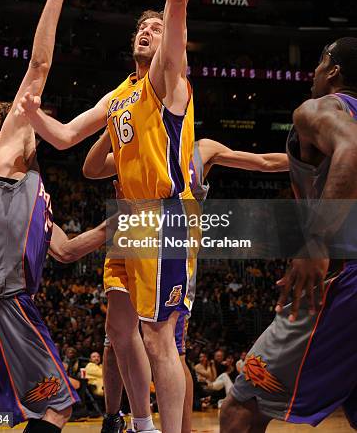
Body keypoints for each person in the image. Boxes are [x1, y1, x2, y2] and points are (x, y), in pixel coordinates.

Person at [17, 0, 217, 433]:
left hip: (165, 215)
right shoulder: (120, 94)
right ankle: (141, 424)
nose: (150, 30)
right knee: (119, 327)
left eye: (158, 28)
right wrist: (34, 116)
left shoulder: (166, 78)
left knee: (161, 336)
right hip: (129, 219)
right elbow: (63, 140)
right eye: (143, 27)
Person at [0, 0, 118, 433]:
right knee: (59, 404)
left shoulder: (34, 194)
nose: (34, 120)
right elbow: (39, 67)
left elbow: (66, 251)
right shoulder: (8, 153)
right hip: (2, 297)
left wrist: (115, 226)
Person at [82, 131, 288, 433]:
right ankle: (121, 420)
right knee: (116, 339)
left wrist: (320, 159)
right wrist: (113, 122)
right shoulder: (138, 147)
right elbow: (92, 167)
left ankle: (180, 429)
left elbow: (264, 162)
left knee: (171, 349)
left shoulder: (202, 149)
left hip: (173, 251)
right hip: (132, 241)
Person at [220, 38, 357, 431]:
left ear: (333, 70)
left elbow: (351, 145)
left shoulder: (320, 109)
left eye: (319, 61)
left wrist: (314, 239)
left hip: (345, 279)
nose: (313, 70)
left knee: (241, 407)